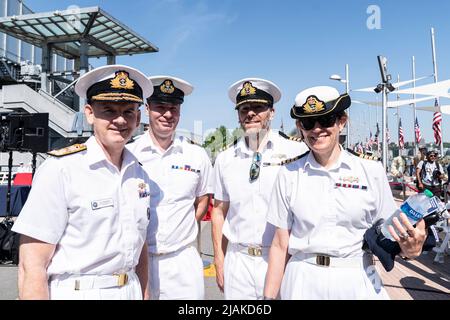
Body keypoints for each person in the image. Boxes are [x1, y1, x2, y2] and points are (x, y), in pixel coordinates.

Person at [263, 86, 427, 300]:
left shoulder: (371, 170)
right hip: (302, 279)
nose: (317, 129)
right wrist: (268, 298)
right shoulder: (288, 173)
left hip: (356, 276)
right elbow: (279, 244)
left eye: (326, 120)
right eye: (308, 123)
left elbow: (391, 233)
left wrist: (410, 250)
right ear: (299, 127)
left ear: (341, 121)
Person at [12, 65, 153, 300]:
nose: (120, 120)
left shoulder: (139, 175)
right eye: (108, 110)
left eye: (128, 111)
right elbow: (32, 264)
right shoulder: (61, 169)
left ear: (138, 118)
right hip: (80, 291)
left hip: (131, 289)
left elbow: (141, 250)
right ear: (89, 113)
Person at [211, 78, 309, 299]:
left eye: (258, 107)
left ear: (272, 112)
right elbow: (218, 211)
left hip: (284, 259)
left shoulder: (297, 152)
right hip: (238, 261)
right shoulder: (226, 158)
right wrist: (219, 258)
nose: (251, 113)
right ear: (238, 114)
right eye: (244, 108)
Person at [127, 75, 213, 300]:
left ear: (180, 112)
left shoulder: (196, 155)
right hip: (137, 260)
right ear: (147, 109)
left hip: (182, 262)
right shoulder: (129, 154)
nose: (167, 114)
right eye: (160, 107)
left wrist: (181, 227)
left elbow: (202, 199)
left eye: (173, 108)